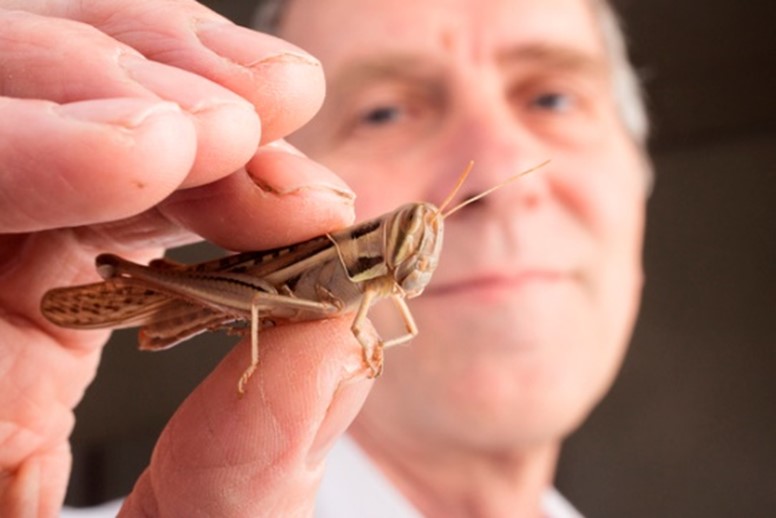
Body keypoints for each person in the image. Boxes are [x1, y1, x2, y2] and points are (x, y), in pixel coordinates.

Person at [0, 0, 650, 516]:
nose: (501, 173)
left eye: (553, 98)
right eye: (384, 111)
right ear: (287, 168)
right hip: (220, 291)